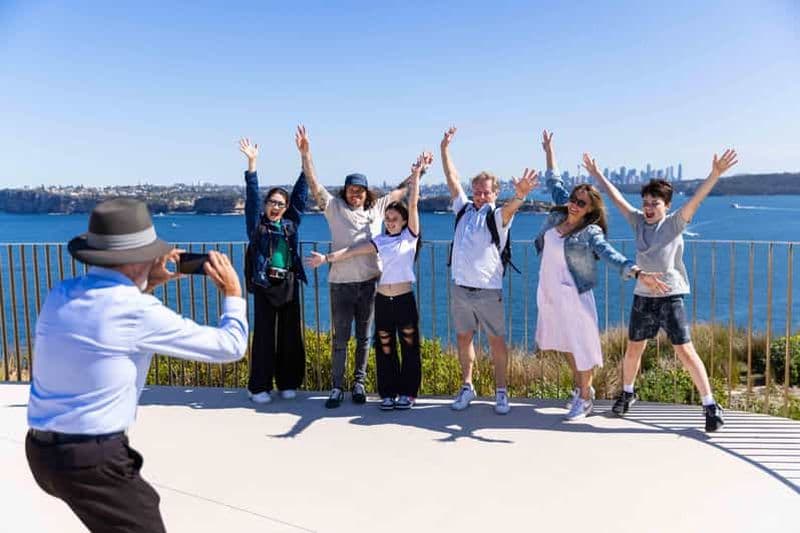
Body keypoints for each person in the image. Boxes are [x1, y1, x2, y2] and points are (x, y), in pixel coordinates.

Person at [26, 198, 248, 532]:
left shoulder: (61, 293)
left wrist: (147, 281)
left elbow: (110, 323)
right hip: (91, 461)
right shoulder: (135, 310)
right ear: (139, 259)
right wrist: (233, 293)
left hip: (42, 453)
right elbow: (230, 346)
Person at [584, 148, 738, 431]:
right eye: (645, 202)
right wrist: (597, 175)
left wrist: (715, 173)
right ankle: (628, 393)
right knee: (634, 350)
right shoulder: (638, 221)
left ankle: (710, 405)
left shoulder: (675, 223)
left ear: (666, 205)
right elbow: (617, 199)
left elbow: (696, 200)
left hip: (670, 296)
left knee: (685, 351)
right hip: (643, 296)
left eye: (654, 203)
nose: (648, 207)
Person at [535, 131, 667, 420]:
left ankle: (585, 398)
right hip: (549, 291)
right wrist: (549, 151)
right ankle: (584, 390)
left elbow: (609, 254)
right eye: (574, 199)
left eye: (582, 203)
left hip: (573, 295)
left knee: (580, 346)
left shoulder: (590, 231)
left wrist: (637, 272)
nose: (574, 204)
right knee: (563, 343)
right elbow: (553, 181)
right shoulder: (560, 211)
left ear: (590, 210)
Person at [295, 125, 424, 408]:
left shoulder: (378, 210)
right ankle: (336, 387)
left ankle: (359, 384)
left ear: (367, 193)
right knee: (340, 339)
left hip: (370, 283)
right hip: (340, 282)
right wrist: (306, 154)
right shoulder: (334, 207)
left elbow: (403, 192)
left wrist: (420, 171)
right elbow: (314, 183)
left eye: (361, 190)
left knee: (365, 339)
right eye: (352, 189)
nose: (356, 194)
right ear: (346, 191)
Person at [441, 126, 538, 415]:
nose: (481, 195)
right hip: (460, 288)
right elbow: (452, 179)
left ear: (496, 193)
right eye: (478, 191)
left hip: (487, 291)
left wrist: (520, 195)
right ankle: (467, 386)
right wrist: (444, 149)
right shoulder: (464, 210)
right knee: (463, 339)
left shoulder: (496, 216)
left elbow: (510, 211)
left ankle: (501, 391)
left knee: (496, 341)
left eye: (487, 191)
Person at [240, 137, 308, 404]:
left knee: (290, 336)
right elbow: (251, 199)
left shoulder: (290, 224)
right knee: (265, 338)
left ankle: (287, 383)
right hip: (265, 286)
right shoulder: (256, 226)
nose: (276, 206)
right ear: (266, 204)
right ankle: (259, 387)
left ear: (285, 207)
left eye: (281, 203)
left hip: (288, 284)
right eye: (272, 202)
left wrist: (305, 160)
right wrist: (252, 164)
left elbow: (301, 196)